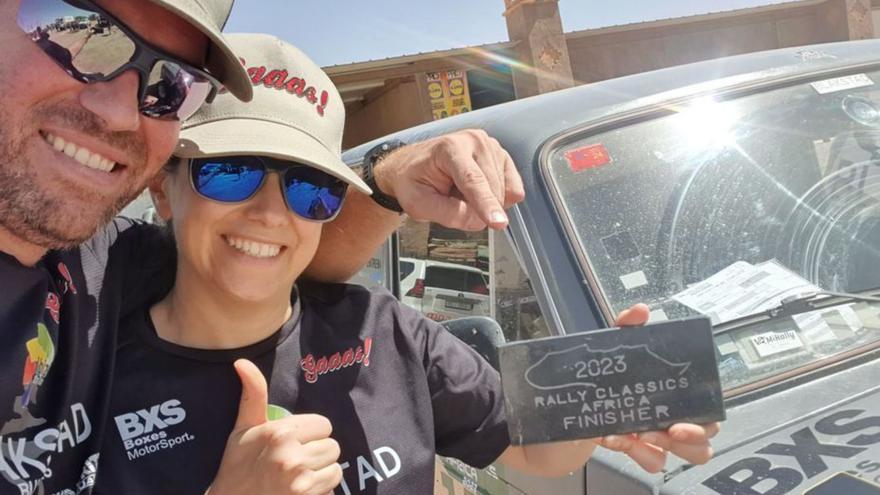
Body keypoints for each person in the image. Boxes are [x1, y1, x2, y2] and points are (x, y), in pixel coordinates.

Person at [95, 34, 719, 495]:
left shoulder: (383, 330)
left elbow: (529, 452)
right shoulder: (84, 371)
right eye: (230, 173)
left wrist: (612, 404)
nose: (270, 214)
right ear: (162, 188)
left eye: (311, 188)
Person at [1, 0, 524, 492]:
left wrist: (387, 185)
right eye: (229, 173)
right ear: (165, 189)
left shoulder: (97, 268)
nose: (119, 111)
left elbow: (261, 252)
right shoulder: (114, 311)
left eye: (170, 83)